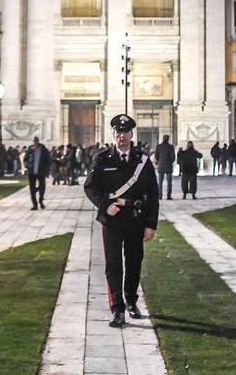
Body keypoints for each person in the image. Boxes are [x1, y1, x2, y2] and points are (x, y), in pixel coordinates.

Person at [84, 114, 159, 328]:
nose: (121, 136)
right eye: (118, 132)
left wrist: (151, 224)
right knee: (114, 265)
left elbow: (153, 193)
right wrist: (105, 205)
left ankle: (132, 302)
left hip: (136, 218)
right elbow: (90, 187)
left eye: (125, 132)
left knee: (134, 262)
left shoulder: (142, 161)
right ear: (114, 134)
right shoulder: (103, 159)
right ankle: (117, 308)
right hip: (112, 219)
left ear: (131, 135)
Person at [25, 136, 53, 210]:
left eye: (35, 141)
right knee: (32, 189)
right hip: (31, 171)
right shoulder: (30, 149)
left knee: (42, 187)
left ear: (38, 141)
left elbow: (48, 160)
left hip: (41, 171)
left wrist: (46, 168)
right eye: (33, 141)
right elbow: (25, 159)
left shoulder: (43, 150)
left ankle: (40, 200)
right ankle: (35, 205)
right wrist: (27, 165)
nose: (34, 142)